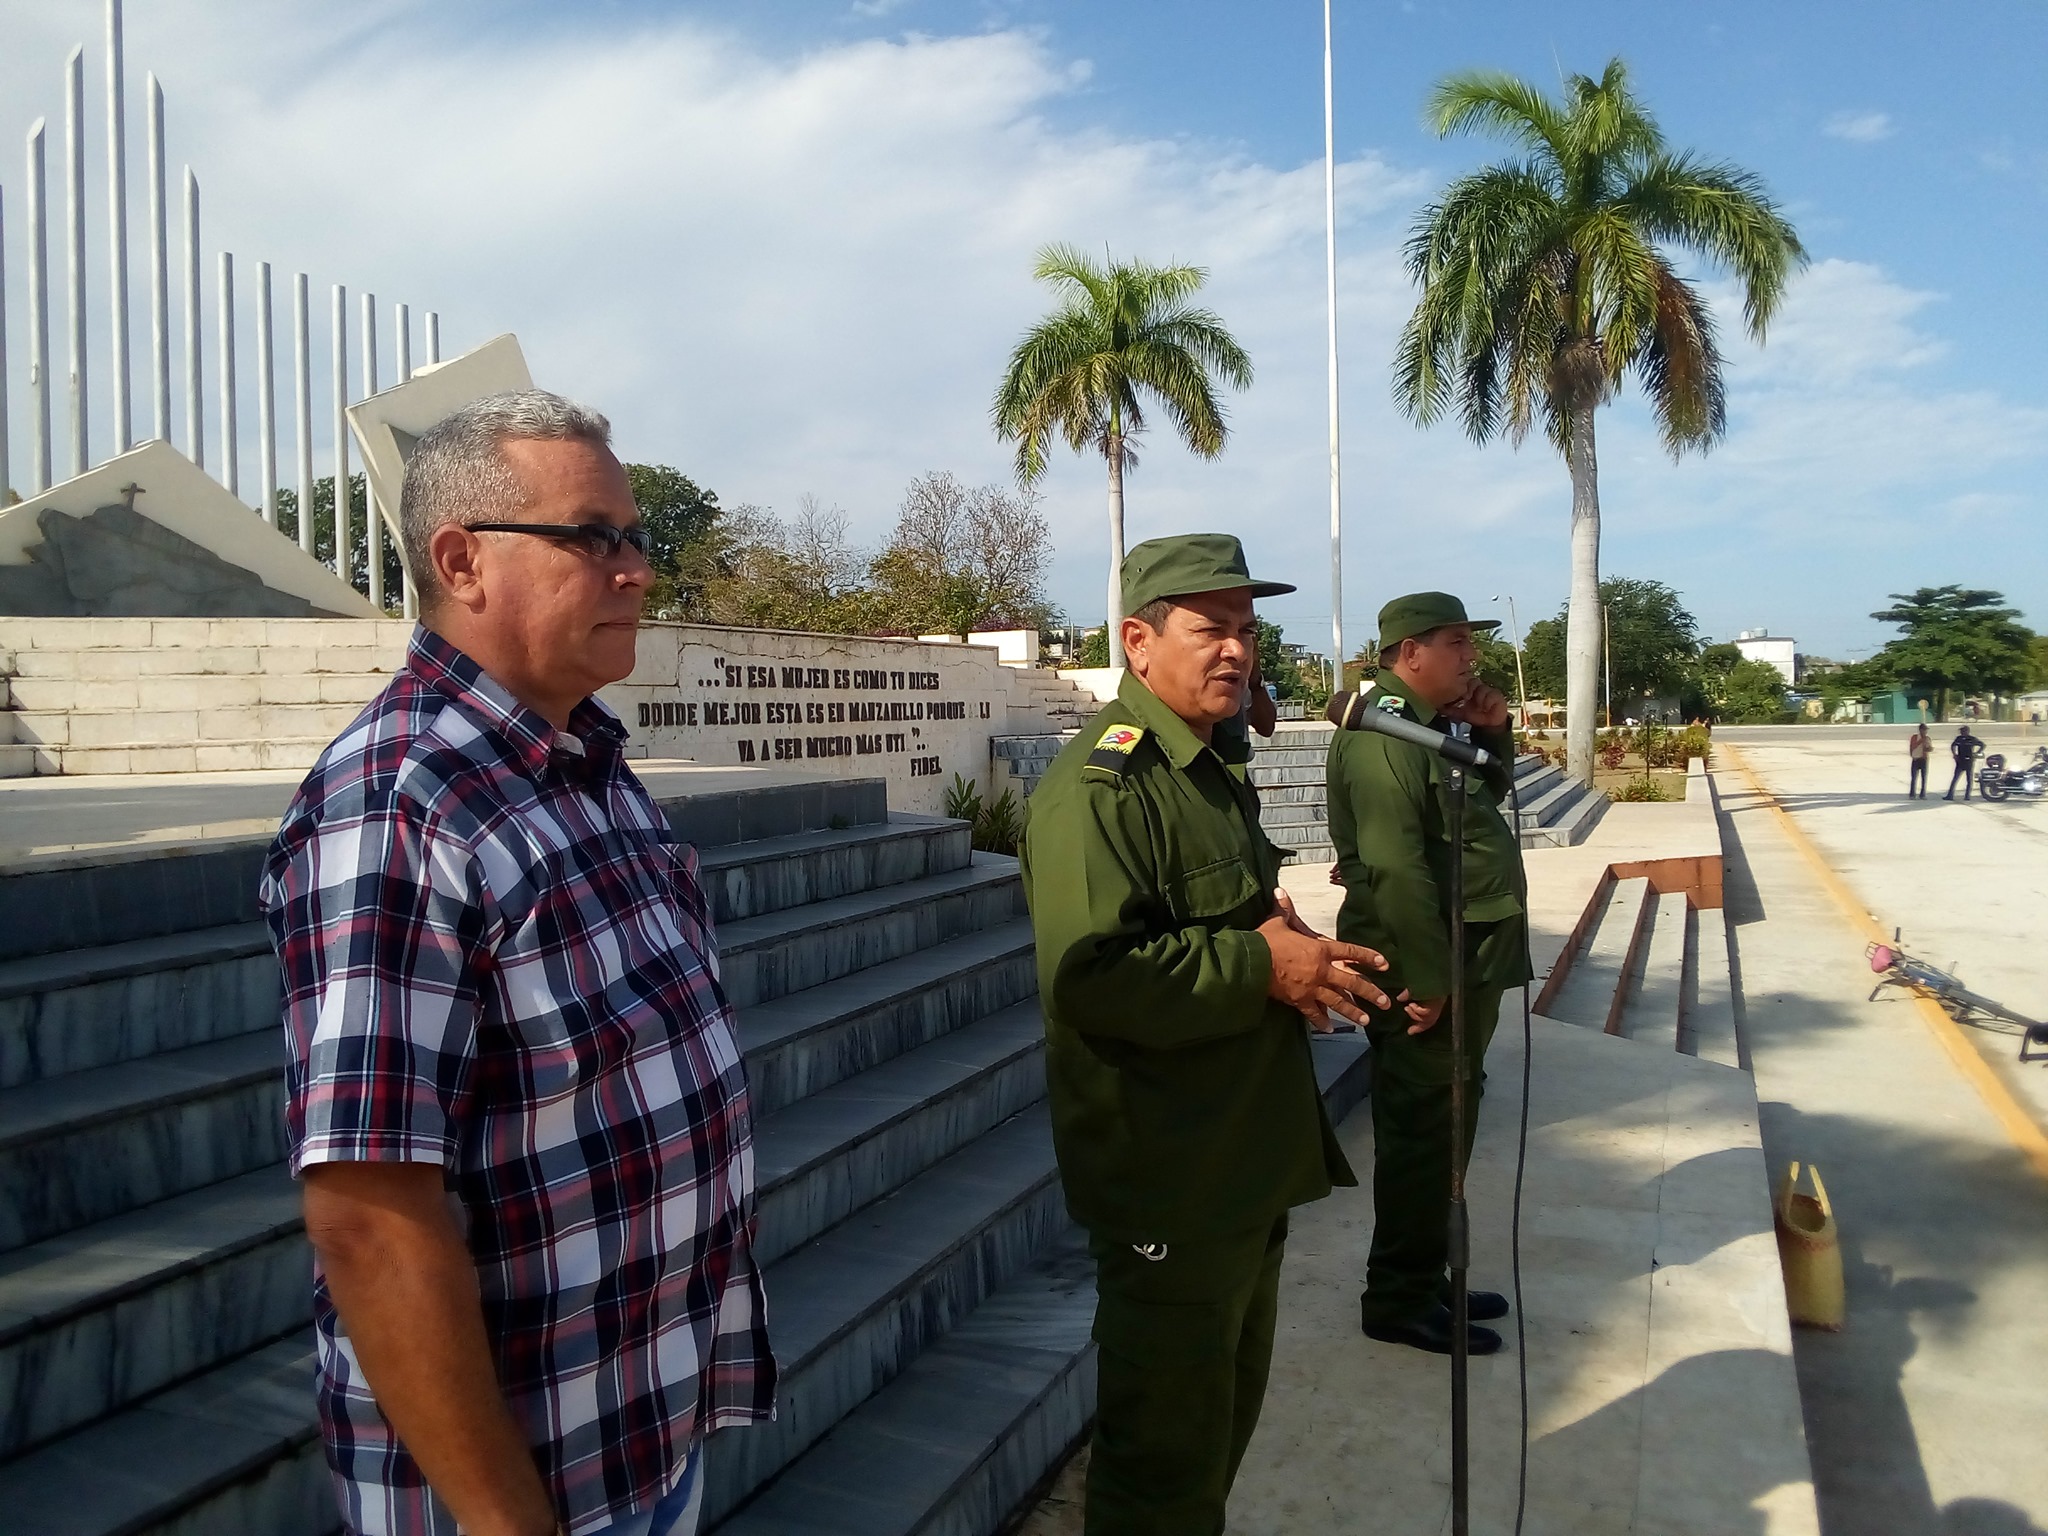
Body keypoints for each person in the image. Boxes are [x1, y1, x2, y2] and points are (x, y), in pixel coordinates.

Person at [261, 391, 773, 1536]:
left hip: (636, 1435)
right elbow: (370, 1212)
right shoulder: (398, 805)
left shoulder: (585, 767)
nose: (636, 569)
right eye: (594, 538)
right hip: (523, 1490)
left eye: (638, 538)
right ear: (461, 560)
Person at [1020, 533, 1391, 1536]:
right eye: (1208, 630)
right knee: (1161, 1468)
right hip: (1169, 1178)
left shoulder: (1202, 768)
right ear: (1137, 643)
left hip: (1240, 1158)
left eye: (1245, 631)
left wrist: (1283, 937)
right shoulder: (1100, 791)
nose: (1234, 651)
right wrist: (1261, 968)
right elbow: (1091, 981)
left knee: (1215, 1433)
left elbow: (1228, 909)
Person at [1325, 592, 1533, 1356]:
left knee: (1449, 1121)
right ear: (1410, 652)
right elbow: (1394, 869)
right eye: (1455, 643)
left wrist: (1495, 733)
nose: (1469, 657)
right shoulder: (1383, 735)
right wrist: (1429, 978)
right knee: (1421, 1134)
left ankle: (1427, 1275)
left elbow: (1484, 802)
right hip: (1424, 968)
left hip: (1459, 957)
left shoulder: (1431, 726)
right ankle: (1399, 1297)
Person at [1945, 723, 1982, 800]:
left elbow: (1982, 745)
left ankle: (1967, 796)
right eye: (1961, 731)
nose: (1962, 732)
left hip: (1969, 760)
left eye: (1963, 731)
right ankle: (1950, 795)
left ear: (1967, 731)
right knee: (1955, 778)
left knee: (1969, 779)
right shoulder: (1959, 738)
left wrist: (1976, 753)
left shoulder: (1972, 739)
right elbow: (1953, 746)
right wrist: (1954, 754)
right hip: (1960, 761)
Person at [1908, 725, 1931, 798]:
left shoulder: (1927, 738)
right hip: (1916, 758)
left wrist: (1929, 748)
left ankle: (1922, 794)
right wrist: (1921, 740)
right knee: (1914, 777)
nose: (1925, 732)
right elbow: (1913, 746)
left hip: (1924, 759)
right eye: (1924, 730)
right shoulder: (1914, 737)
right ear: (1920, 730)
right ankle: (1912, 794)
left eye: (1926, 730)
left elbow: (1928, 748)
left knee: (1924, 777)